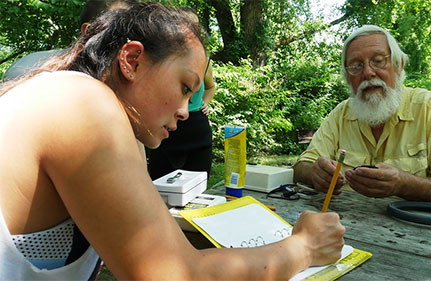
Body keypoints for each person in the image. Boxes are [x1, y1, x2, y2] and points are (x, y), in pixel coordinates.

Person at [0, 3, 345, 280]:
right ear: (132, 60)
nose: (185, 111)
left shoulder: (77, 102)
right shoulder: (83, 103)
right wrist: (305, 248)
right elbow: (175, 274)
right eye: (184, 87)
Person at [293, 25, 431, 208]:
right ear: (347, 77)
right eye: (356, 66)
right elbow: (301, 168)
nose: (368, 73)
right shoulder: (340, 115)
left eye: (378, 61)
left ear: (399, 65)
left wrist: (407, 185)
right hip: (344, 229)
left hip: (422, 238)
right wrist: (314, 173)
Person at [148, 7, 216, 180]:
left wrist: (204, 102)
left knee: (197, 186)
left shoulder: (204, 62)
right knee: (160, 184)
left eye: (195, 27)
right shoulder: (159, 59)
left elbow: (210, 87)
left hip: (196, 128)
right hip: (168, 131)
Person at [2, 0, 137, 82]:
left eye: (133, 28)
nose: (129, 37)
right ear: (88, 32)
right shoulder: (30, 70)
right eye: (118, 28)